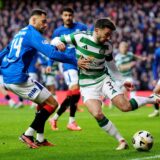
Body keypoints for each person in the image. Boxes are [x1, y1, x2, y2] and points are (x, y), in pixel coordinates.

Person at [51, 18, 160, 150]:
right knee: (97, 114)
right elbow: (55, 40)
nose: (109, 37)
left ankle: (153, 98)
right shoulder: (79, 37)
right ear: (97, 30)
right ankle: (121, 141)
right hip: (86, 85)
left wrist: (121, 80)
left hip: (103, 79)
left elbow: (112, 65)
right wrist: (58, 43)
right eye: (107, 34)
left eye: (110, 35)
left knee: (125, 106)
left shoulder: (107, 46)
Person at [0, 9, 89, 149]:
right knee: (53, 104)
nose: (46, 25)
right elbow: (51, 53)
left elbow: (5, 50)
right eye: (43, 21)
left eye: (46, 22)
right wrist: (75, 60)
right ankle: (28, 134)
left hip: (9, 76)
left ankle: (40, 138)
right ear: (33, 20)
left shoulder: (21, 32)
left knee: (42, 103)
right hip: (18, 78)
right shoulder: (32, 34)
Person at [49, 8, 88, 131]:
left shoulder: (82, 27)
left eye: (70, 15)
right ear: (62, 16)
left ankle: (54, 118)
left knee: (74, 93)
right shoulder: (58, 31)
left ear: (73, 16)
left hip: (80, 63)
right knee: (75, 88)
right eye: (65, 15)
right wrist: (50, 64)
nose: (68, 17)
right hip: (67, 64)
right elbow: (52, 49)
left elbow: (88, 42)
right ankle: (71, 122)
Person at [148, 45, 160, 117]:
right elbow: (155, 64)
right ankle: (156, 111)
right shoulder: (158, 51)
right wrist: (155, 78)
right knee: (155, 92)